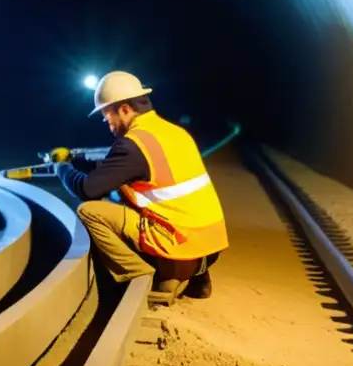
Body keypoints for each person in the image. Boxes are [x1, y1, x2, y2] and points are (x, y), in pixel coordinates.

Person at [54, 71, 228, 304]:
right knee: (129, 198)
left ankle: (139, 276)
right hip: (211, 244)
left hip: (180, 244)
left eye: (108, 116)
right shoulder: (174, 132)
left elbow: (87, 189)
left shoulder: (133, 145)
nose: (107, 124)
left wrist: (61, 168)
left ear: (124, 109)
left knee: (90, 211)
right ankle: (196, 276)